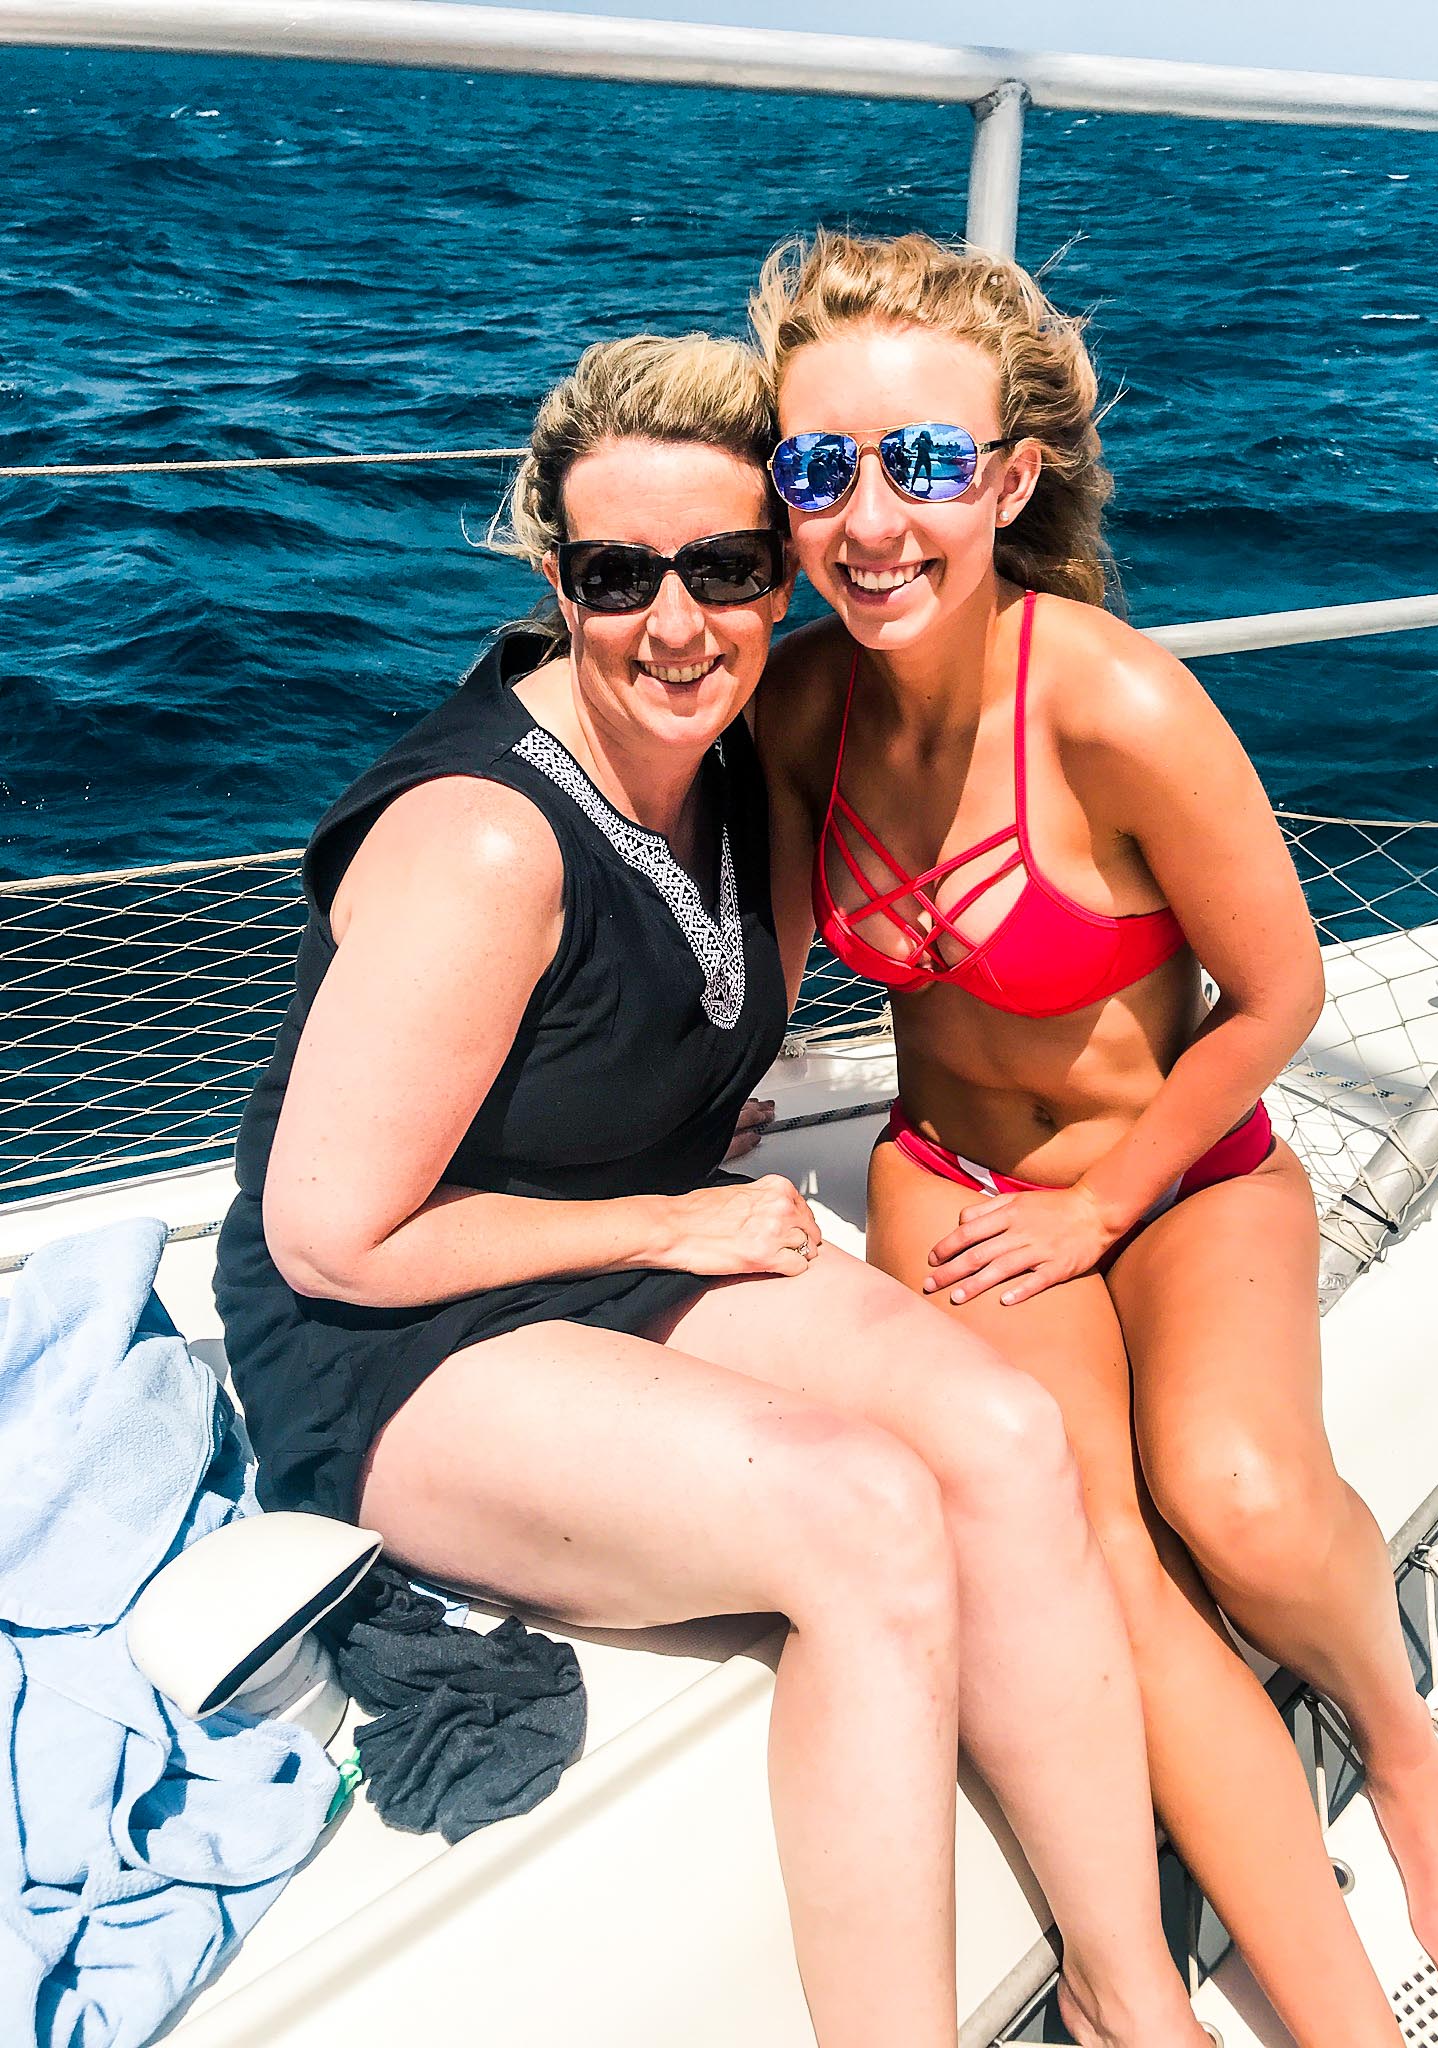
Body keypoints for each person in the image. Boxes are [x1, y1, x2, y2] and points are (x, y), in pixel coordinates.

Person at [214, 331, 1211, 2048]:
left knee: (1003, 1439)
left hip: (620, 1233)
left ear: (781, 568)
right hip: (391, 1329)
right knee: (866, 1519)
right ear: (555, 578)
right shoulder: (484, 841)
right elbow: (333, 1233)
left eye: (728, 566)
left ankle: (1135, 1998)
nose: (676, 624)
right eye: (617, 576)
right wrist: (669, 1219)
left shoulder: (746, 763)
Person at [750, 229, 1438, 2043]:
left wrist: (1106, 1200)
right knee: (1093, 1549)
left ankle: (1400, 1749)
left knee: (1238, 1503)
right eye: (819, 469)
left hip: (1178, 1171)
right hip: (954, 1188)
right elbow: (761, 977)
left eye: (924, 462)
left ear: (1009, 478)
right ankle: (1347, 2021)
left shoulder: (1110, 699)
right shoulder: (804, 710)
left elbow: (1278, 997)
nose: (870, 519)